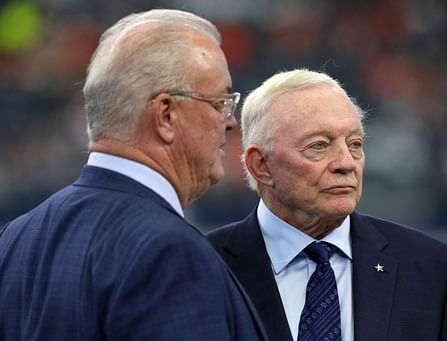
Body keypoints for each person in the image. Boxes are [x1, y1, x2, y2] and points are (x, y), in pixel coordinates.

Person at [0, 9, 267, 340]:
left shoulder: (16, 237)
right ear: (166, 114)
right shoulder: (170, 253)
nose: (229, 122)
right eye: (220, 102)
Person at [207, 69, 447, 341]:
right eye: (319, 146)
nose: (346, 163)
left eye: (355, 144)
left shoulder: (433, 268)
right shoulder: (203, 264)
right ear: (261, 165)